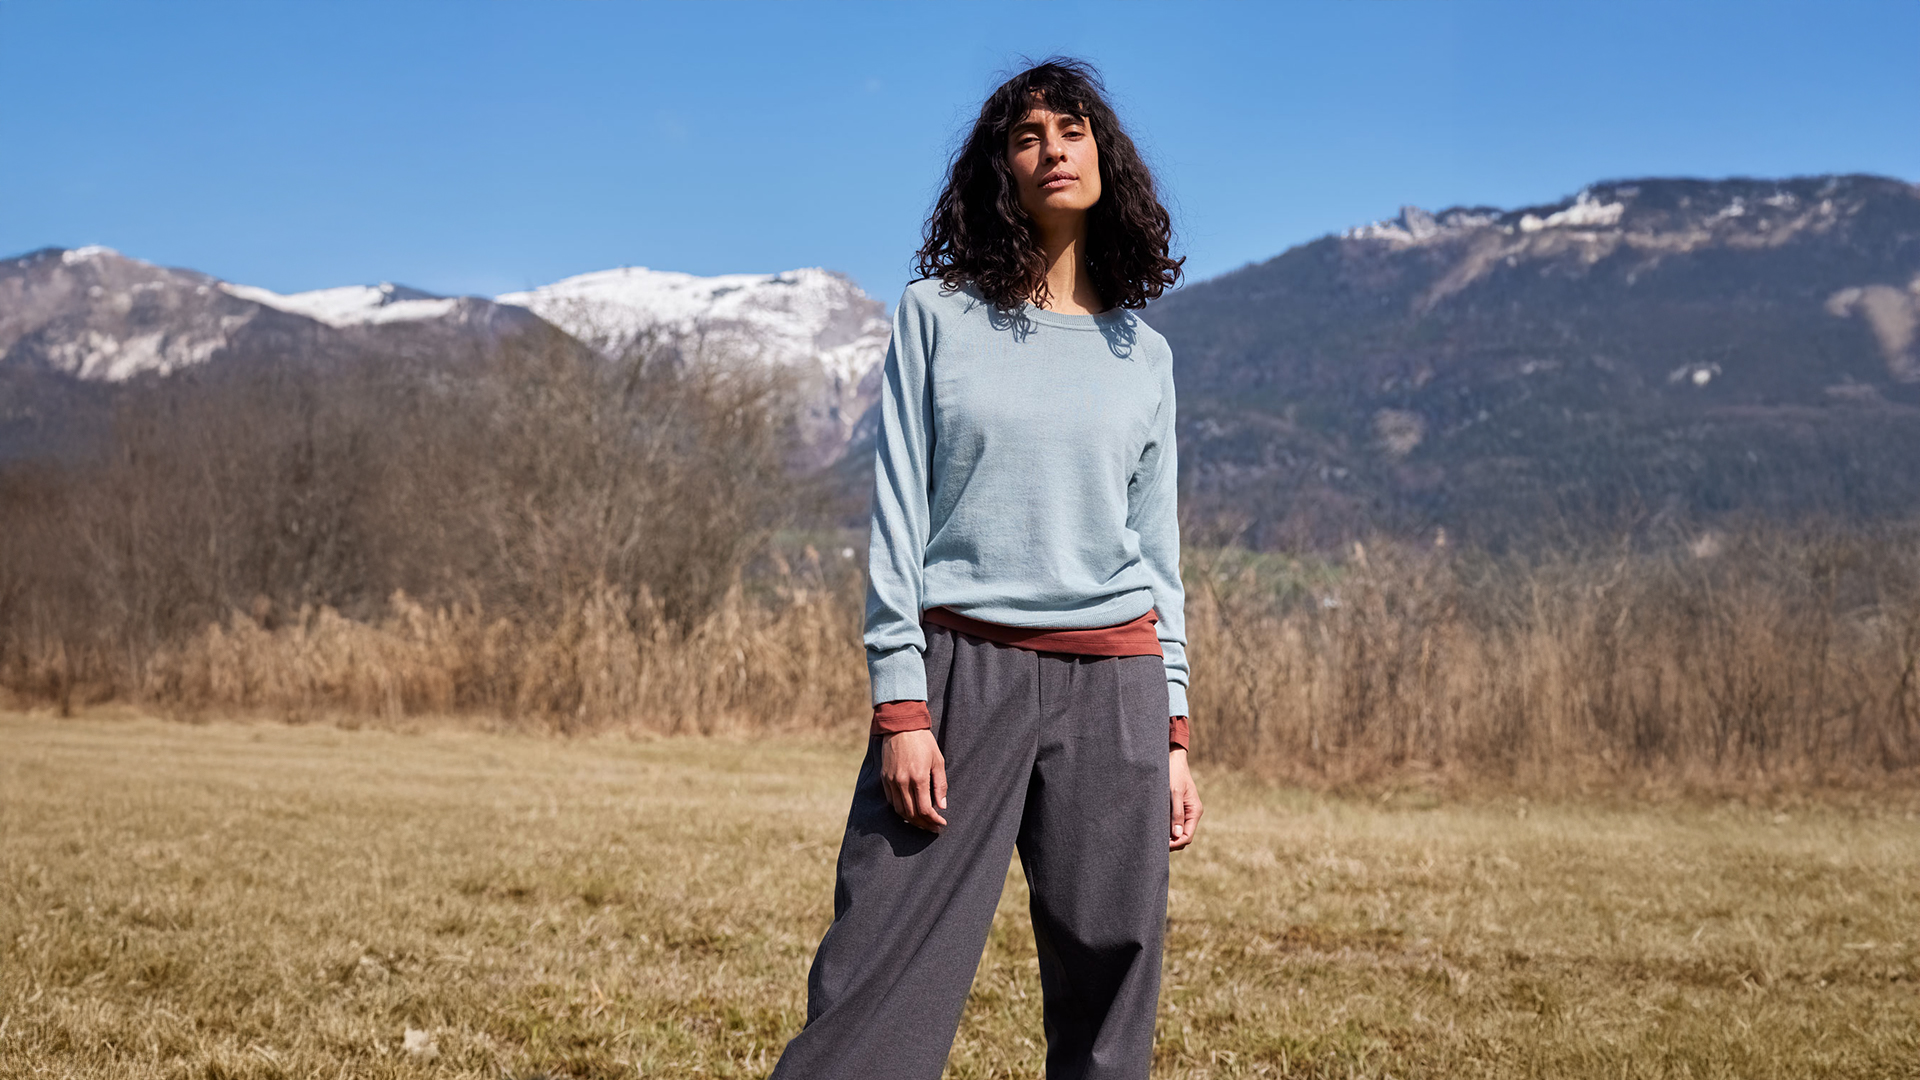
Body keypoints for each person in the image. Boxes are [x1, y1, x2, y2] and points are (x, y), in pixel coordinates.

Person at [771, 57, 1202, 1080]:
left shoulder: (1144, 358)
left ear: (1106, 156)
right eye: (1027, 136)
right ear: (998, 170)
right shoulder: (936, 316)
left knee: (1112, 991)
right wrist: (901, 708)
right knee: (876, 971)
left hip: (1119, 689)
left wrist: (1176, 731)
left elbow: (1158, 555)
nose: (1053, 149)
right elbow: (898, 519)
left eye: (1074, 129)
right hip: (964, 672)